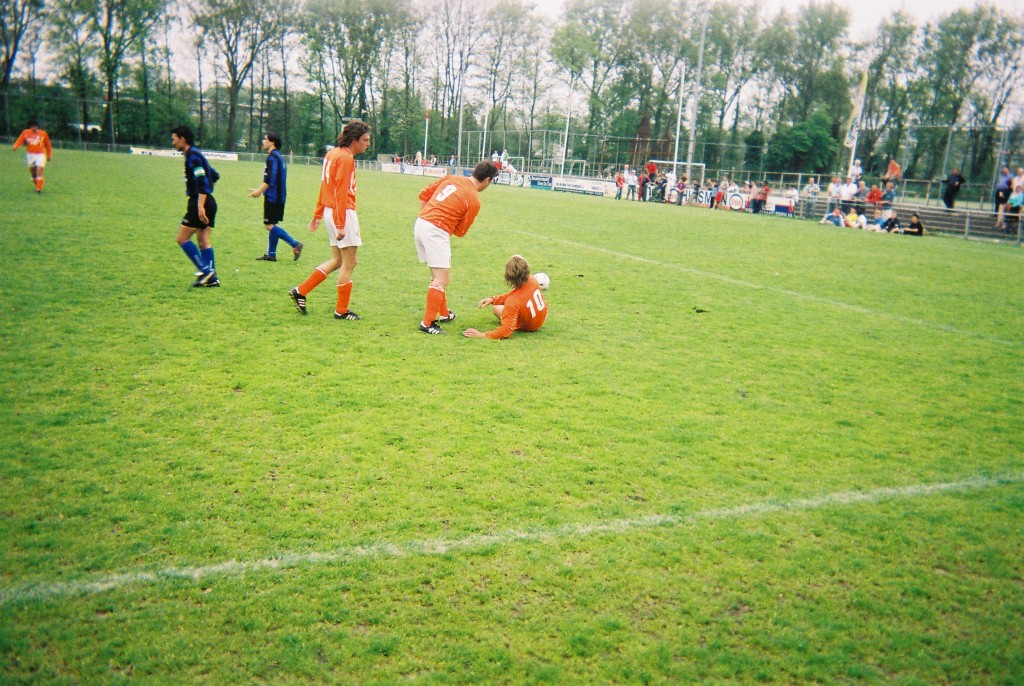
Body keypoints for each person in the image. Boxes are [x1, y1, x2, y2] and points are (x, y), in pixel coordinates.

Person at [289, 120, 371, 320]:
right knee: (350, 262)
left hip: (330, 211)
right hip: (342, 212)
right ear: (354, 140)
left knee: (338, 260)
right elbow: (340, 192)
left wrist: (318, 214)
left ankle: (301, 291)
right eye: (365, 140)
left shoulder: (332, 154)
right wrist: (341, 223)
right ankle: (341, 311)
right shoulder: (345, 158)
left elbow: (325, 186)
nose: (368, 144)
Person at [414, 160, 499, 334]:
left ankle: (444, 313)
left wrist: (427, 217)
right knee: (440, 279)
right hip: (436, 230)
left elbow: (424, 195)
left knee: (441, 276)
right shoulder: (474, 200)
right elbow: (460, 232)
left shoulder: (451, 178)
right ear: (487, 180)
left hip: (421, 223)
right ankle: (427, 323)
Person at [170, 125, 220, 287]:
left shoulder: (193, 156)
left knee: (182, 238)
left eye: (174, 139)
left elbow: (202, 181)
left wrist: (200, 206)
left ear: (182, 139)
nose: (173, 142)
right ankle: (212, 279)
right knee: (203, 241)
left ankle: (206, 271)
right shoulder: (195, 155)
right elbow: (214, 175)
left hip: (199, 202)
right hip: (208, 201)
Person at [463, 255, 548, 339]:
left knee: (496, 308)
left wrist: (481, 335)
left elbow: (506, 331)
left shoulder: (513, 301)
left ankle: (518, 322)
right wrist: (493, 299)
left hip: (529, 326)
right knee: (500, 306)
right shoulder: (532, 280)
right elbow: (516, 294)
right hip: (542, 317)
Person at [251, 132, 303, 262]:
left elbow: (270, 179)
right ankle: (271, 254)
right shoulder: (278, 157)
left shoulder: (272, 158)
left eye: (265, 139)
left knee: (269, 225)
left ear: (272, 142)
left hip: (273, 197)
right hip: (278, 196)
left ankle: (295, 244)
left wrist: (258, 191)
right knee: (272, 224)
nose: (263, 141)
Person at [12, 119, 52, 193]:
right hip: (30, 155)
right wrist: (16, 145)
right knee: (33, 174)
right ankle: (37, 185)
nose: (34, 128)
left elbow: (48, 145)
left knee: (39, 171)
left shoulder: (43, 133)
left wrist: (49, 154)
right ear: (30, 127)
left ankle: (39, 189)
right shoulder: (25, 132)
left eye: (35, 126)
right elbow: (20, 140)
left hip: (40, 155)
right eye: (32, 126)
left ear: (38, 127)